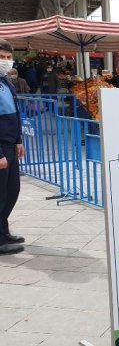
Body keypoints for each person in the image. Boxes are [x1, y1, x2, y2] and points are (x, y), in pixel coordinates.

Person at [0, 38, 26, 255]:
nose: (6, 61)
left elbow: (15, 113)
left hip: (10, 144)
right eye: (2, 57)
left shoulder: (6, 81)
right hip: (0, 148)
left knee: (12, 191)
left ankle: (4, 230)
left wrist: (18, 140)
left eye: (9, 58)